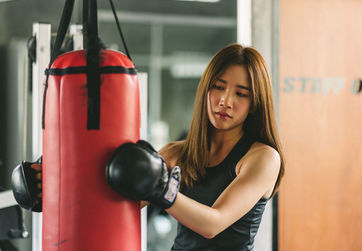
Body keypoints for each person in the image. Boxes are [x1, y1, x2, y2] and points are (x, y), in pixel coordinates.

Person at [24, 43, 285, 250]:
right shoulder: (177, 153)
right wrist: (55, 185)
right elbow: (117, 202)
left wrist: (162, 192)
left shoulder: (262, 158)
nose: (225, 101)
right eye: (218, 87)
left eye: (241, 94)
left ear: (255, 104)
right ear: (206, 90)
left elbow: (213, 223)